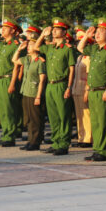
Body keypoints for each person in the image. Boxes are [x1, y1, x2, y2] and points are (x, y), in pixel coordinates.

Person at [32, 19, 76, 156]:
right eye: (53, 29)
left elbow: (72, 69)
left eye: (57, 29)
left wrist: (69, 87)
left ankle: (63, 143)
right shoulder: (50, 47)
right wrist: (42, 35)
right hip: (50, 85)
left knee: (63, 116)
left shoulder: (67, 49)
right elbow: (35, 48)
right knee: (53, 116)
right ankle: (56, 142)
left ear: (64, 32)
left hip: (61, 84)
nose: (54, 31)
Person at [78, 19, 106, 162]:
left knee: (103, 122)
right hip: (93, 90)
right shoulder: (94, 49)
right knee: (95, 122)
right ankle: (97, 149)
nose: (98, 34)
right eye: (97, 31)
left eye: (102, 32)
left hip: (103, 90)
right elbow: (80, 48)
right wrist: (86, 36)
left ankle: (105, 151)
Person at [0, 20, 23, 147]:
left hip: (9, 79)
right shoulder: (2, 44)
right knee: (2, 109)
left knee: (9, 109)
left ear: (13, 31)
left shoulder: (16, 45)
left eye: (6, 28)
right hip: (0, 79)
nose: (2, 30)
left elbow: (17, 66)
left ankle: (10, 136)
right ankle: (5, 134)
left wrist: (13, 83)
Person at [14, 35, 47, 151]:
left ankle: (36, 141)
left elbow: (42, 80)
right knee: (28, 118)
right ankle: (30, 140)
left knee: (35, 119)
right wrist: (19, 49)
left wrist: (38, 96)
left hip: (34, 93)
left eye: (31, 45)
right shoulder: (27, 59)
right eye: (28, 45)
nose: (28, 47)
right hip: (26, 91)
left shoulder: (40, 62)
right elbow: (14, 60)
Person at [72, 27, 93, 149]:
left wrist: (87, 90)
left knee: (86, 115)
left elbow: (89, 75)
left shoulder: (89, 58)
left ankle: (88, 138)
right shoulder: (80, 57)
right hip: (77, 88)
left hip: (84, 88)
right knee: (79, 115)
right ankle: (81, 137)